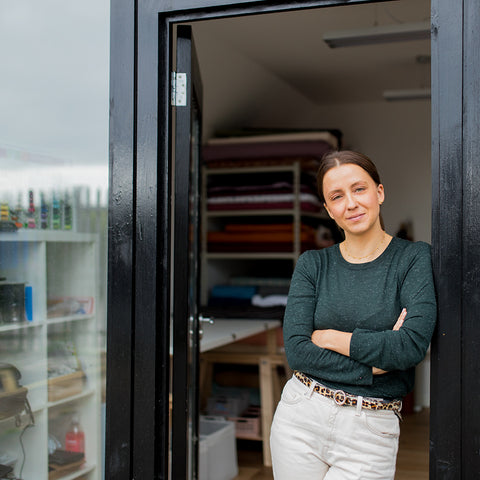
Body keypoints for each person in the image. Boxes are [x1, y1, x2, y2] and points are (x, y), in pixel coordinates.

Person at [270, 150, 437, 479]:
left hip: (370, 428)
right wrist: (377, 363)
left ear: (379, 192)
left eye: (359, 189)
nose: (351, 203)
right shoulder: (313, 265)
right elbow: (298, 351)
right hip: (300, 416)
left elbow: (410, 347)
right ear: (329, 210)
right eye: (337, 196)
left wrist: (331, 338)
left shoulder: (413, 258)